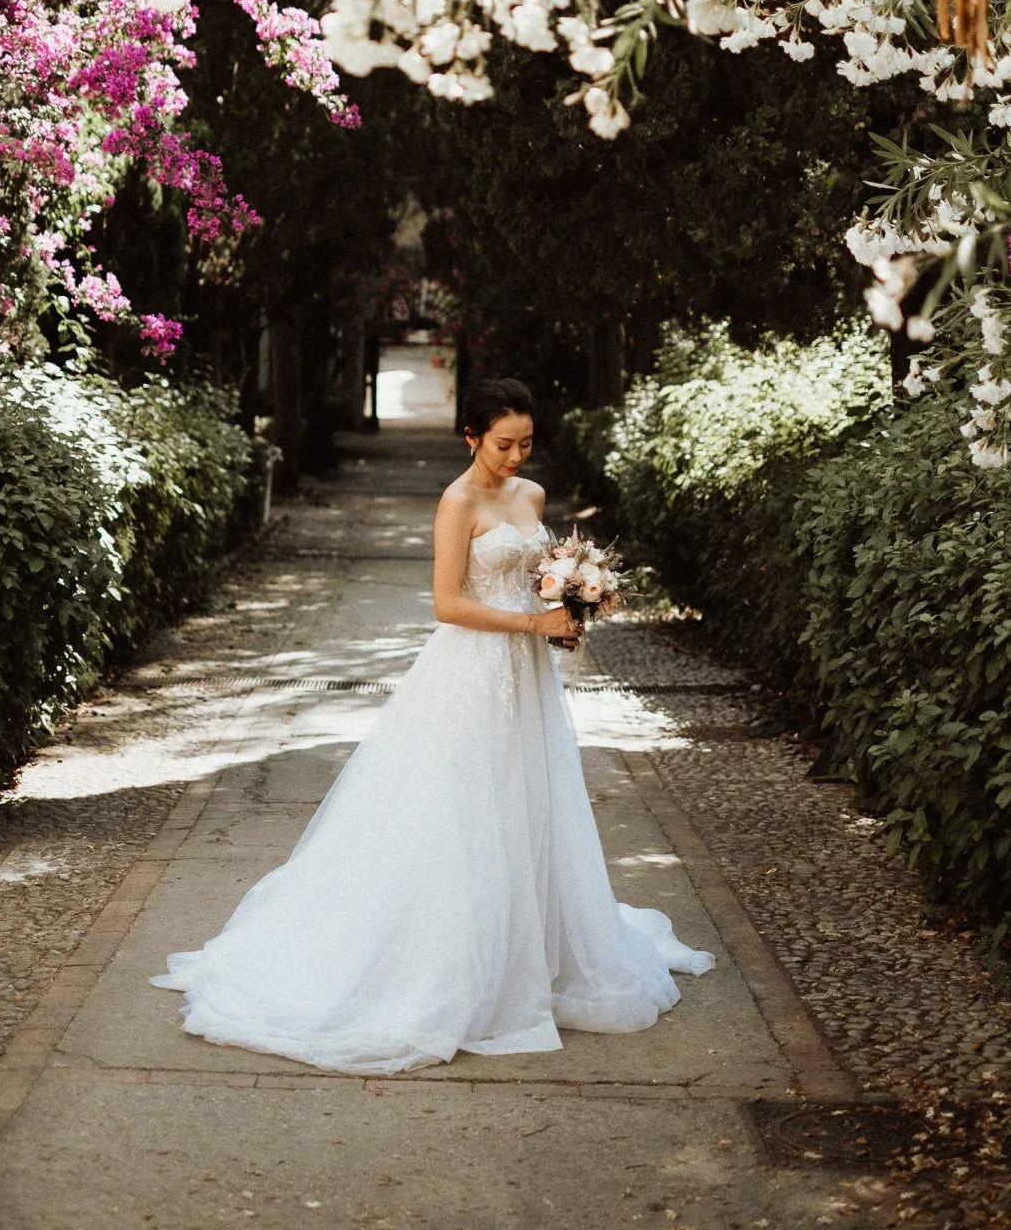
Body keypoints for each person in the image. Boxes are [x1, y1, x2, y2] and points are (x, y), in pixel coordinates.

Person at [149, 376, 714, 1073]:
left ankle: (532, 949)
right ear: (470, 437)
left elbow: (539, 576)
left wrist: (569, 611)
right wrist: (531, 622)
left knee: (528, 794)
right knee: (461, 804)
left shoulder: (532, 497)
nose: (514, 457)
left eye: (526, 444)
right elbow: (448, 603)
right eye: (502, 444)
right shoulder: (456, 502)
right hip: (471, 667)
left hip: (527, 675)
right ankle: (452, 963)